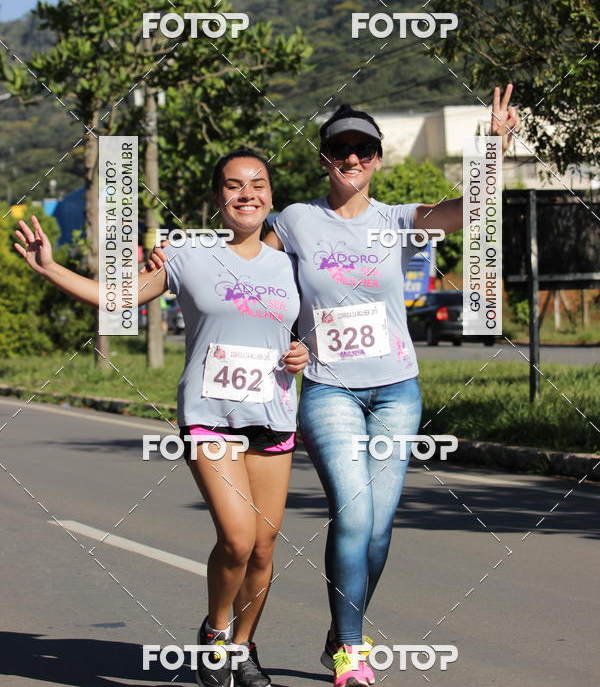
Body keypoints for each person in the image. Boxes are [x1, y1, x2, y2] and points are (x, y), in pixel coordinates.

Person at [14, 150, 308, 687]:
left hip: (274, 413)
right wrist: (51, 267)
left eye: (258, 184)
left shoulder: (291, 264)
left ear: (271, 193)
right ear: (217, 197)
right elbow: (115, 299)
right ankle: (216, 636)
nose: (247, 194)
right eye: (234, 185)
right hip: (209, 415)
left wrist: (302, 352)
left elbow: (306, 332)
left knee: (264, 550)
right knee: (238, 539)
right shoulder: (188, 255)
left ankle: (243, 650)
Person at [262, 86, 519, 687]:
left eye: (363, 149)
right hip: (329, 391)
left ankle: (340, 632)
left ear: (378, 159)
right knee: (353, 514)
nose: (351, 158)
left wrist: (494, 149)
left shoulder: (396, 220)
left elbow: (471, 209)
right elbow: (247, 270)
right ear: (324, 158)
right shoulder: (297, 220)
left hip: (397, 391)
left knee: (380, 526)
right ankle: (352, 651)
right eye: (339, 149)